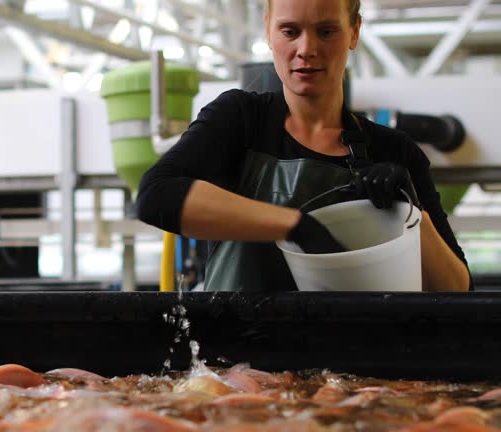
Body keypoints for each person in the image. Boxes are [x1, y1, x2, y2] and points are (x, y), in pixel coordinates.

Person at [136, 0, 471, 292]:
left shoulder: (394, 150)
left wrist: (411, 212)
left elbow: (456, 288)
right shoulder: (240, 121)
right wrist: (297, 226)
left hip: (344, 363)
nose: (307, 48)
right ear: (268, 29)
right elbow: (156, 196)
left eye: (326, 31)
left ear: (354, 32)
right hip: (239, 361)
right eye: (290, 31)